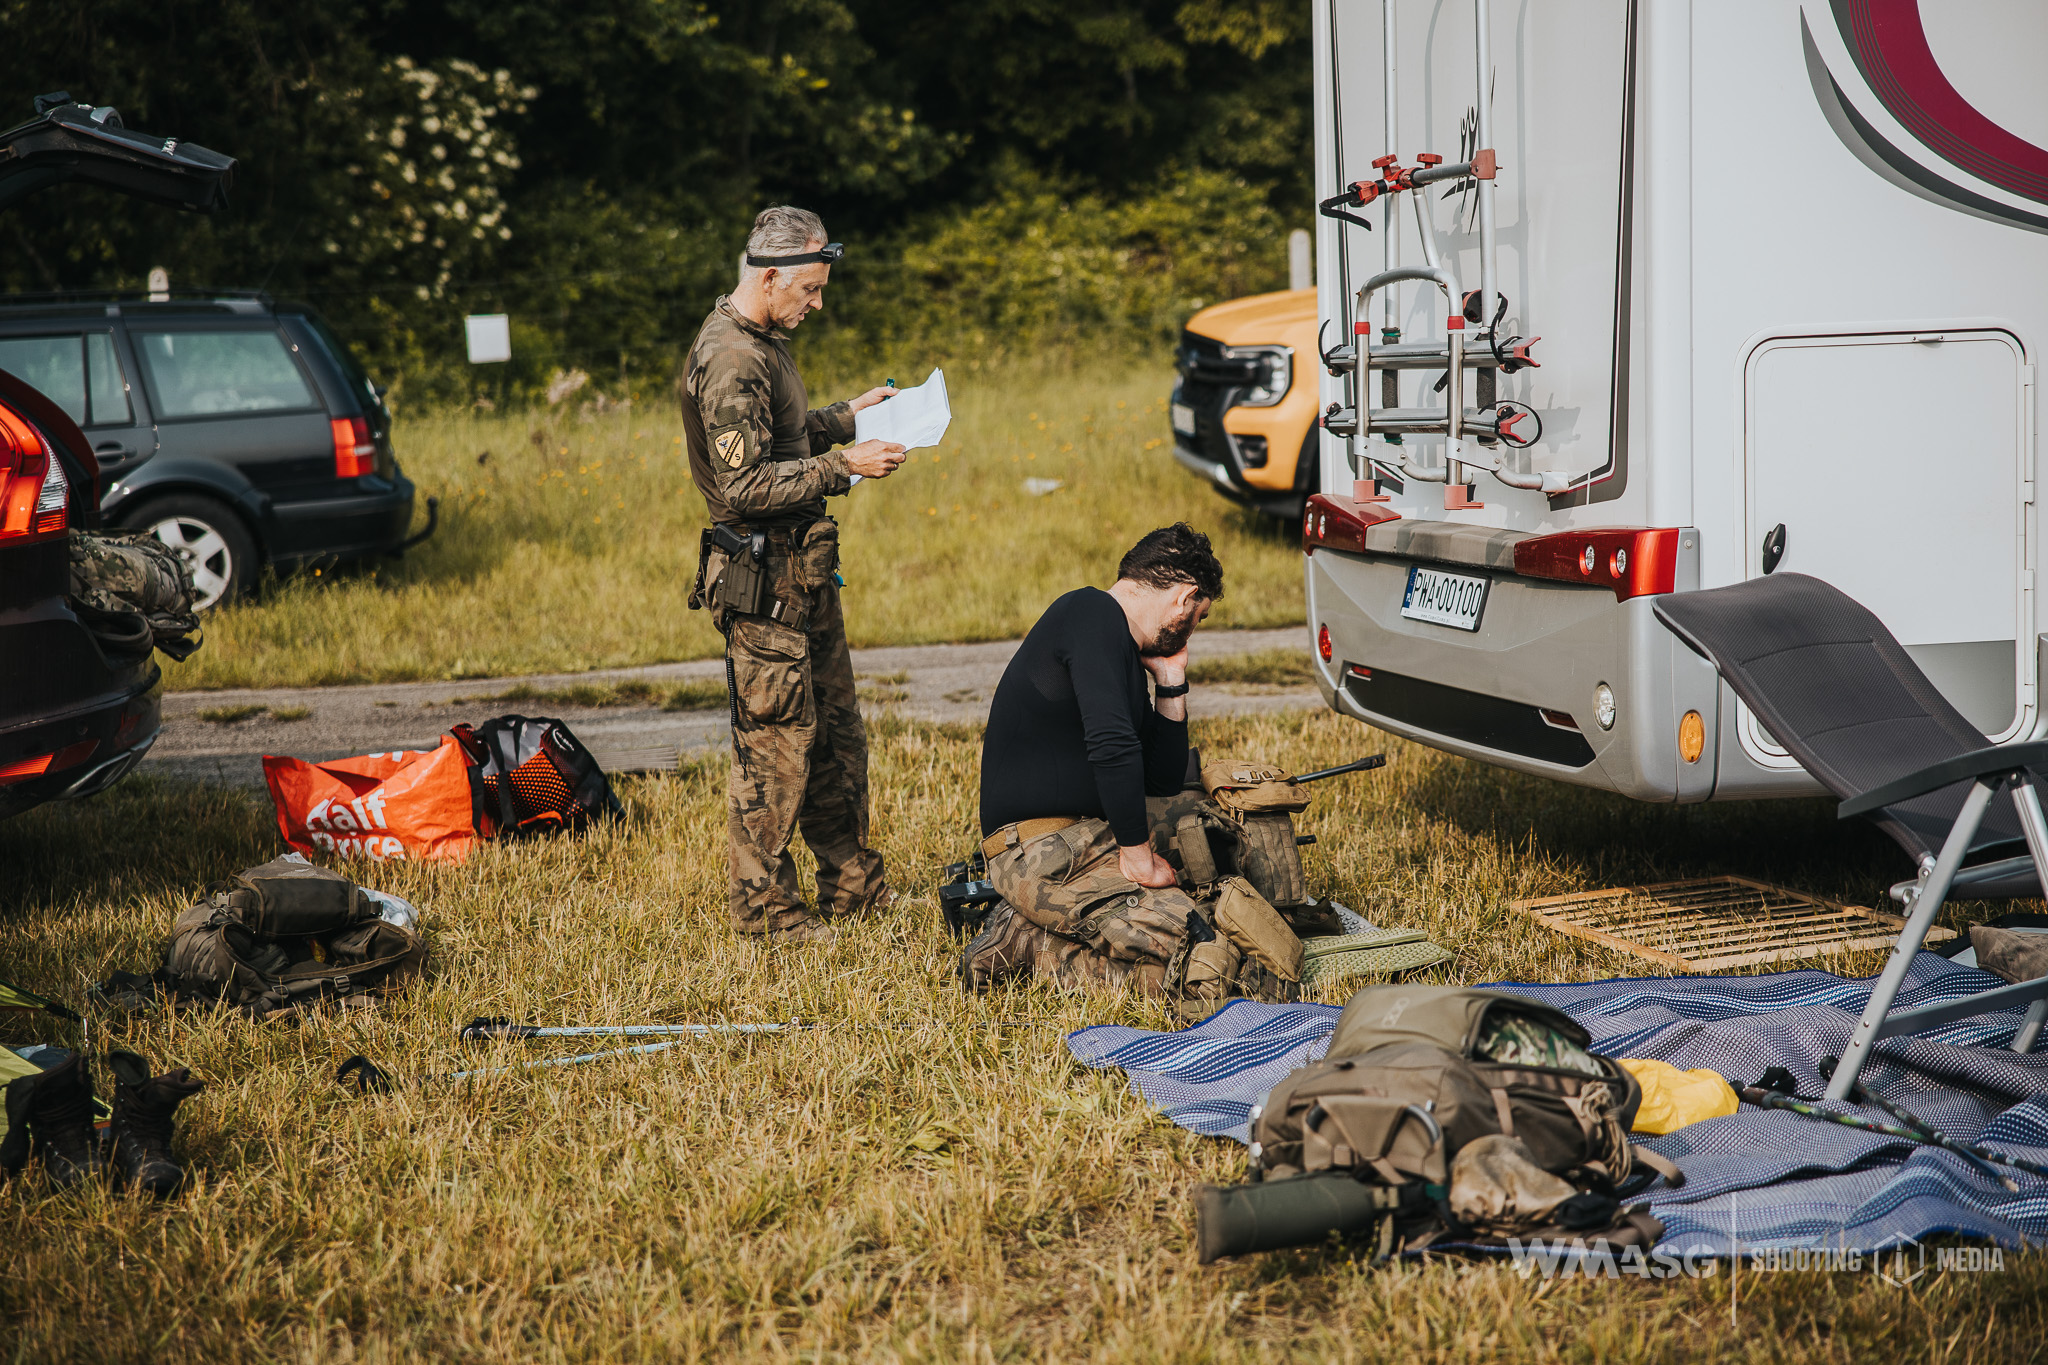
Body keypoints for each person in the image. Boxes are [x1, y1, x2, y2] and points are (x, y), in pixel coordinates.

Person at [680, 205, 906, 943]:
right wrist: (845, 466)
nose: (817, 305)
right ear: (769, 276)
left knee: (837, 735)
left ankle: (854, 888)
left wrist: (847, 417)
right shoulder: (732, 356)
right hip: (762, 584)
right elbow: (743, 486)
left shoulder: (765, 340)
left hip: (804, 576)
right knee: (776, 749)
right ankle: (767, 916)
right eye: (809, 290)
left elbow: (780, 436)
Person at [962, 524, 1295, 1014]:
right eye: (1198, 618)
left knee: (1220, 834)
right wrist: (1138, 858)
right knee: (1206, 967)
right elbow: (1112, 746)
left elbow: (1159, 778)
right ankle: (1024, 943)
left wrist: (1171, 681)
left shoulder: (1113, 642)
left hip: (1084, 834)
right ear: (1184, 599)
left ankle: (1049, 926)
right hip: (1043, 849)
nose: (1193, 629)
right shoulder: (1090, 613)